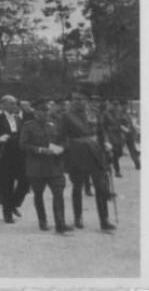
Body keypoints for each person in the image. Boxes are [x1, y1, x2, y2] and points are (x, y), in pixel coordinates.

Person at [58, 87, 116, 232]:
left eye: (81, 99)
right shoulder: (66, 116)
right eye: (75, 99)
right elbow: (61, 137)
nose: (78, 102)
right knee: (77, 187)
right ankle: (78, 217)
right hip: (76, 154)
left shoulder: (95, 113)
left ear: (87, 100)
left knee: (101, 187)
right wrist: (66, 152)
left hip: (96, 153)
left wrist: (107, 145)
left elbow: (102, 133)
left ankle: (104, 220)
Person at [19, 100, 73, 233]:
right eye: (39, 112)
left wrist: (62, 148)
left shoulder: (54, 125)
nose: (43, 114)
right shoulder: (28, 126)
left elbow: (64, 140)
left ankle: (60, 223)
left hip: (54, 166)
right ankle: (42, 221)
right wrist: (40, 150)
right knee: (38, 195)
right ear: (35, 113)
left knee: (58, 194)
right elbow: (23, 145)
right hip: (37, 168)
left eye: (45, 111)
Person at [0, 95, 30, 223]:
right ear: (3, 105)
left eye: (15, 103)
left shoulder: (18, 119)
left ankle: (14, 203)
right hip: (5, 154)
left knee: (25, 181)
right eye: (11, 104)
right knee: (6, 184)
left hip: (19, 154)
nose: (14, 106)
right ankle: (7, 212)